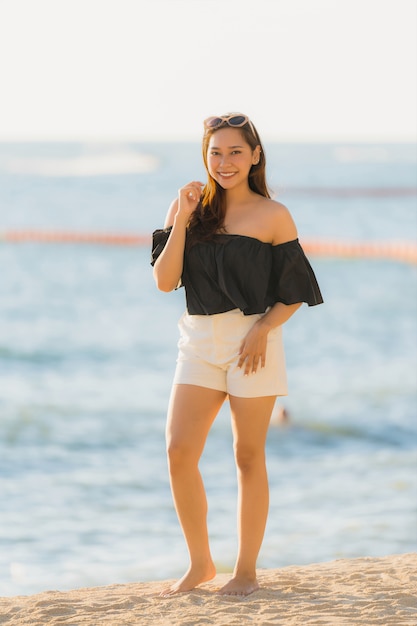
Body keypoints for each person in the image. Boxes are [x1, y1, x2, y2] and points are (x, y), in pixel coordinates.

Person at [151, 113, 323, 597]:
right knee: (178, 450)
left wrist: (263, 330)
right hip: (198, 342)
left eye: (234, 152)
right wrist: (182, 218)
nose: (224, 162)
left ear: (255, 156)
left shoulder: (273, 215)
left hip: (253, 343)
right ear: (204, 156)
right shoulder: (188, 208)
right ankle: (200, 562)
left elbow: (295, 291)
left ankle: (245, 570)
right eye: (215, 152)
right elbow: (165, 281)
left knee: (247, 455)